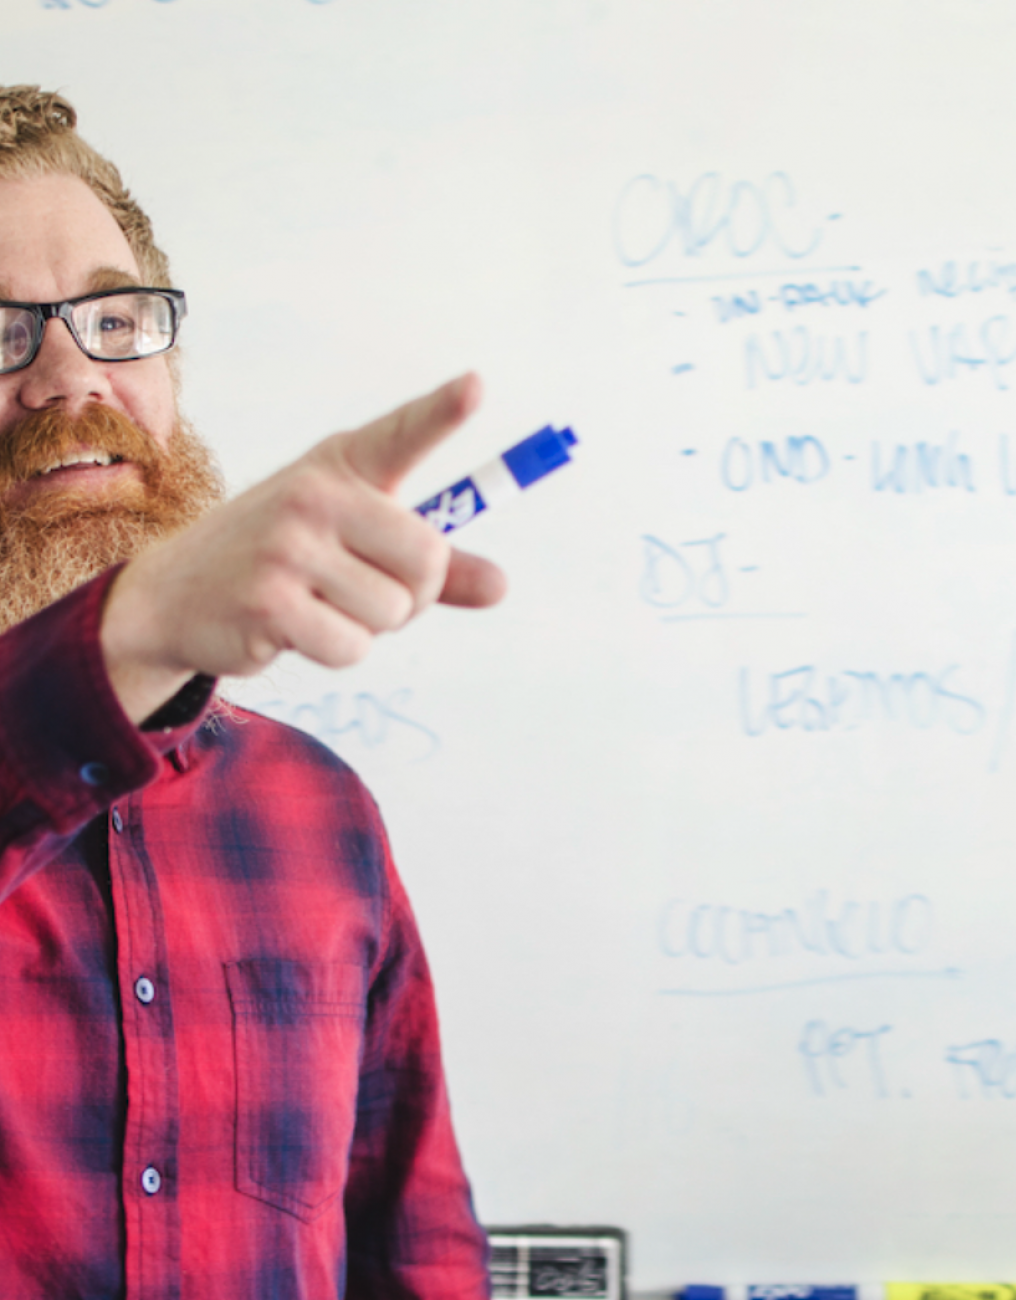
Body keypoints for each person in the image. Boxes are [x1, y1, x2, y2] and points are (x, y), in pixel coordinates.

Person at [0, 85, 503, 1298]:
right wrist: (147, 619)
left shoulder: (316, 811)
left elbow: (412, 1249)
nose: (74, 380)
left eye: (116, 317)